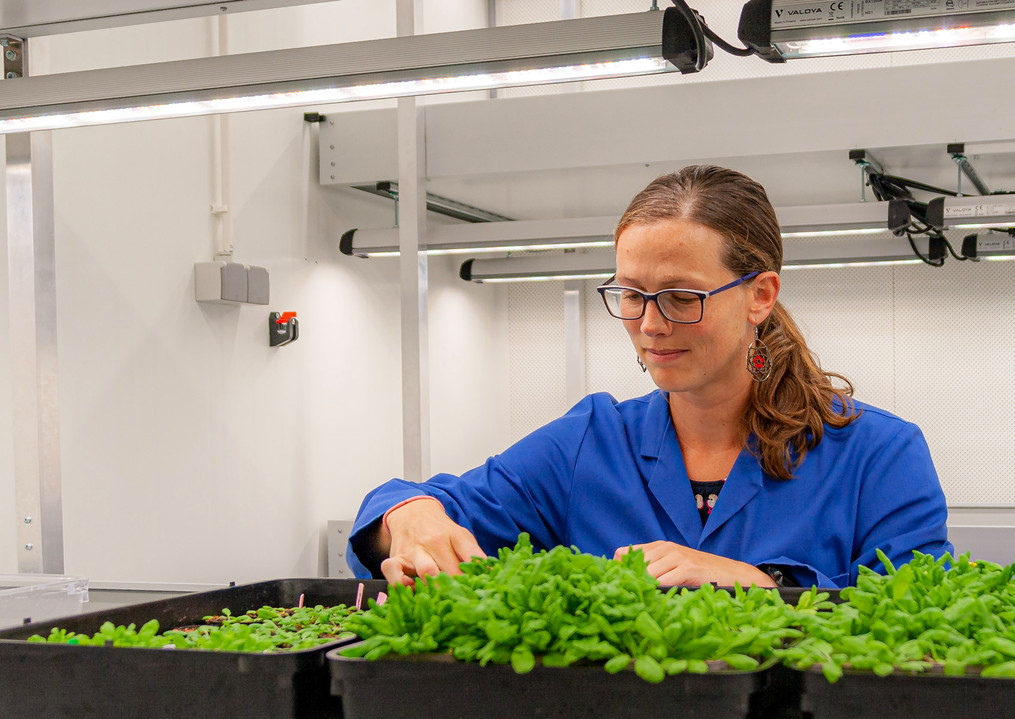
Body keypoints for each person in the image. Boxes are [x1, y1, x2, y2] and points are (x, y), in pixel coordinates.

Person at [348, 165, 951, 588]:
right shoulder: (590, 442)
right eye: (632, 295)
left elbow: (927, 616)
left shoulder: (878, 455)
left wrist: (765, 585)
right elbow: (406, 505)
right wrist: (411, 515)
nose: (651, 325)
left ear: (760, 295)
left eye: (682, 297)